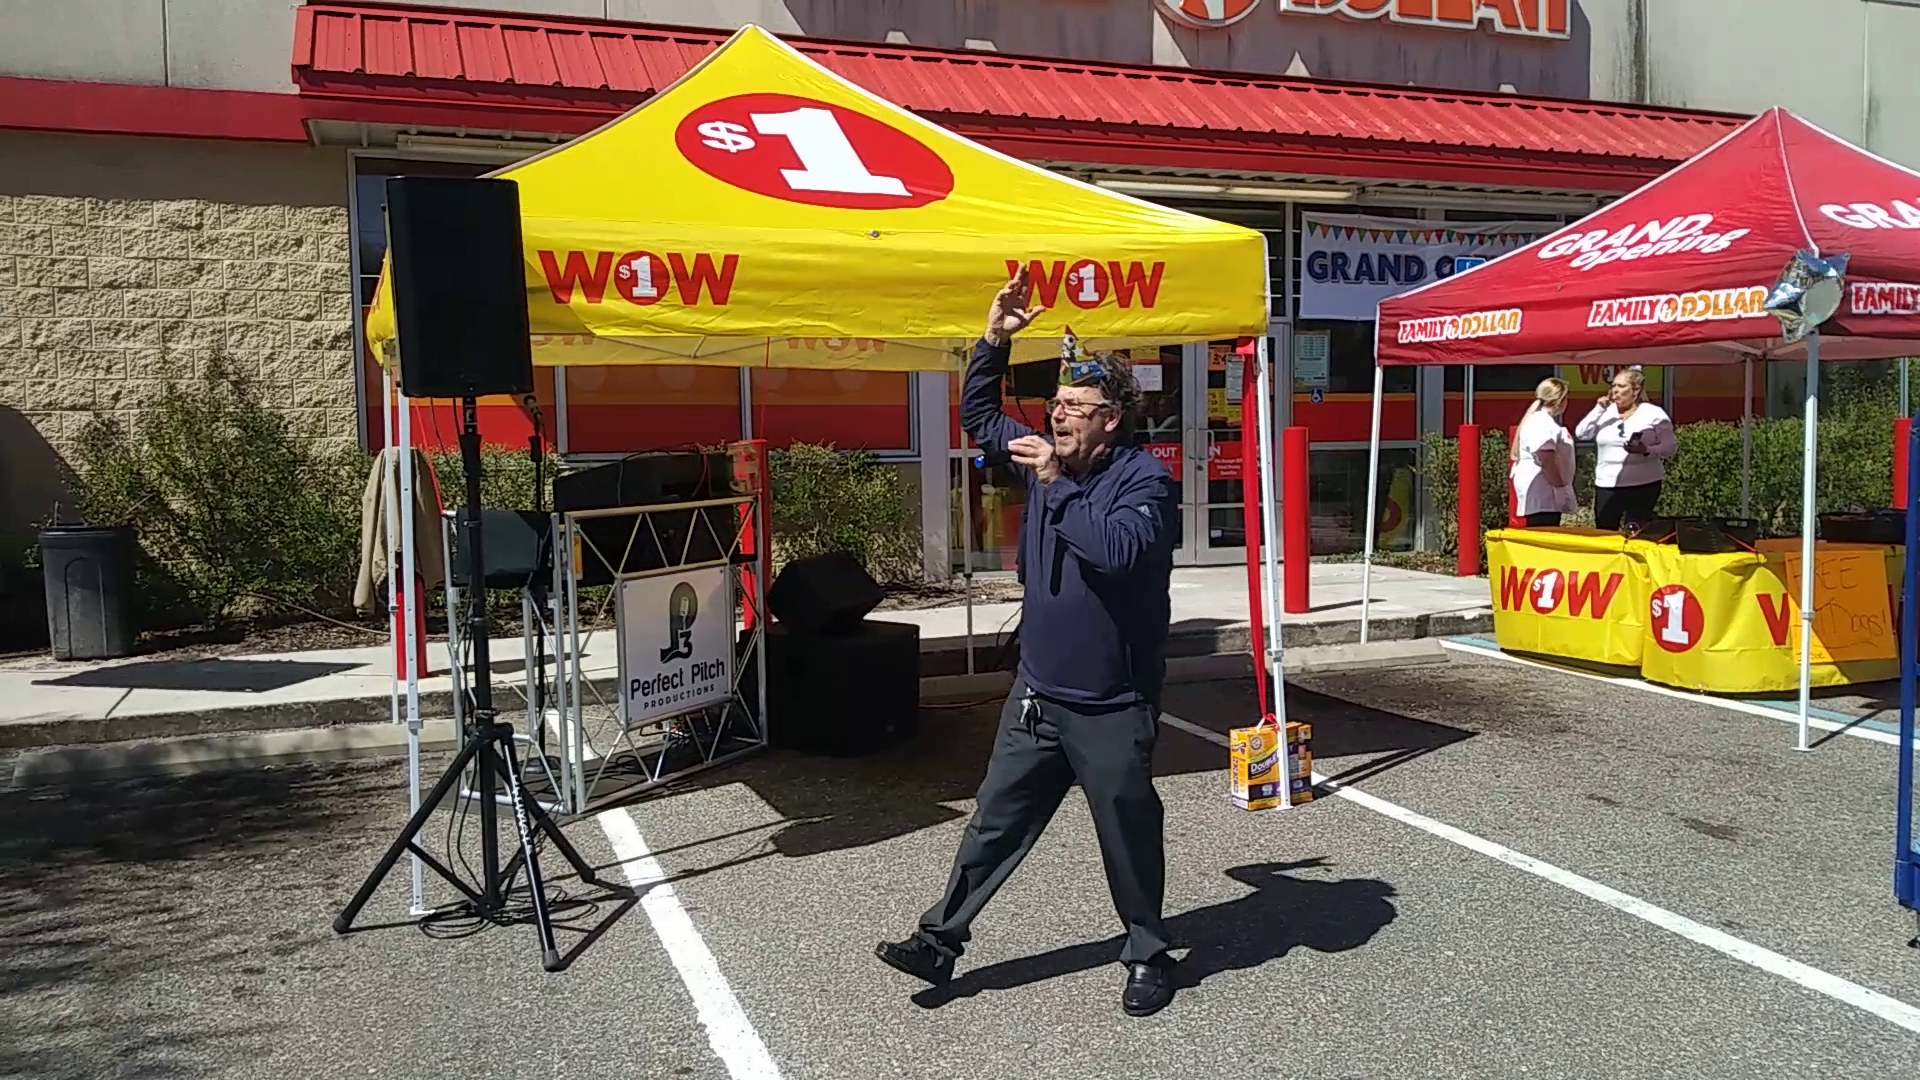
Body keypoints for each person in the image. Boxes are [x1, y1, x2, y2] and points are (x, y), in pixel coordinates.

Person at [874, 269, 1181, 1017]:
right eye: (1056, 405)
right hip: (1039, 693)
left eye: (1075, 407)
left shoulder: (1146, 482)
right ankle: (939, 940)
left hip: (1111, 702)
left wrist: (1054, 483)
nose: (1058, 416)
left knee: (1127, 833)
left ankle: (1148, 953)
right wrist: (993, 341)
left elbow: (1115, 552)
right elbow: (980, 413)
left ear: (1112, 419)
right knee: (995, 820)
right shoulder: (1046, 459)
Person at [1575, 367, 1676, 529]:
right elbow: (1582, 433)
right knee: (1605, 530)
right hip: (1608, 483)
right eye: (1613, 386)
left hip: (1644, 483)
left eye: (1621, 386)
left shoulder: (1653, 413)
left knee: (1636, 530)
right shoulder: (1605, 412)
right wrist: (1598, 409)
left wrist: (1647, 450)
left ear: (1636, 390)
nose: (1615, 390)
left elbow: (1670, 447)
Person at [1508, 377, 1576, 527]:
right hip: (1544, 493)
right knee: (1544, 531)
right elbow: (1546, 460)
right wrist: (1560, 489)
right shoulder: (1541, 423)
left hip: (1545, 493)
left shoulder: (1542, 421)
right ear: (1560, 400)